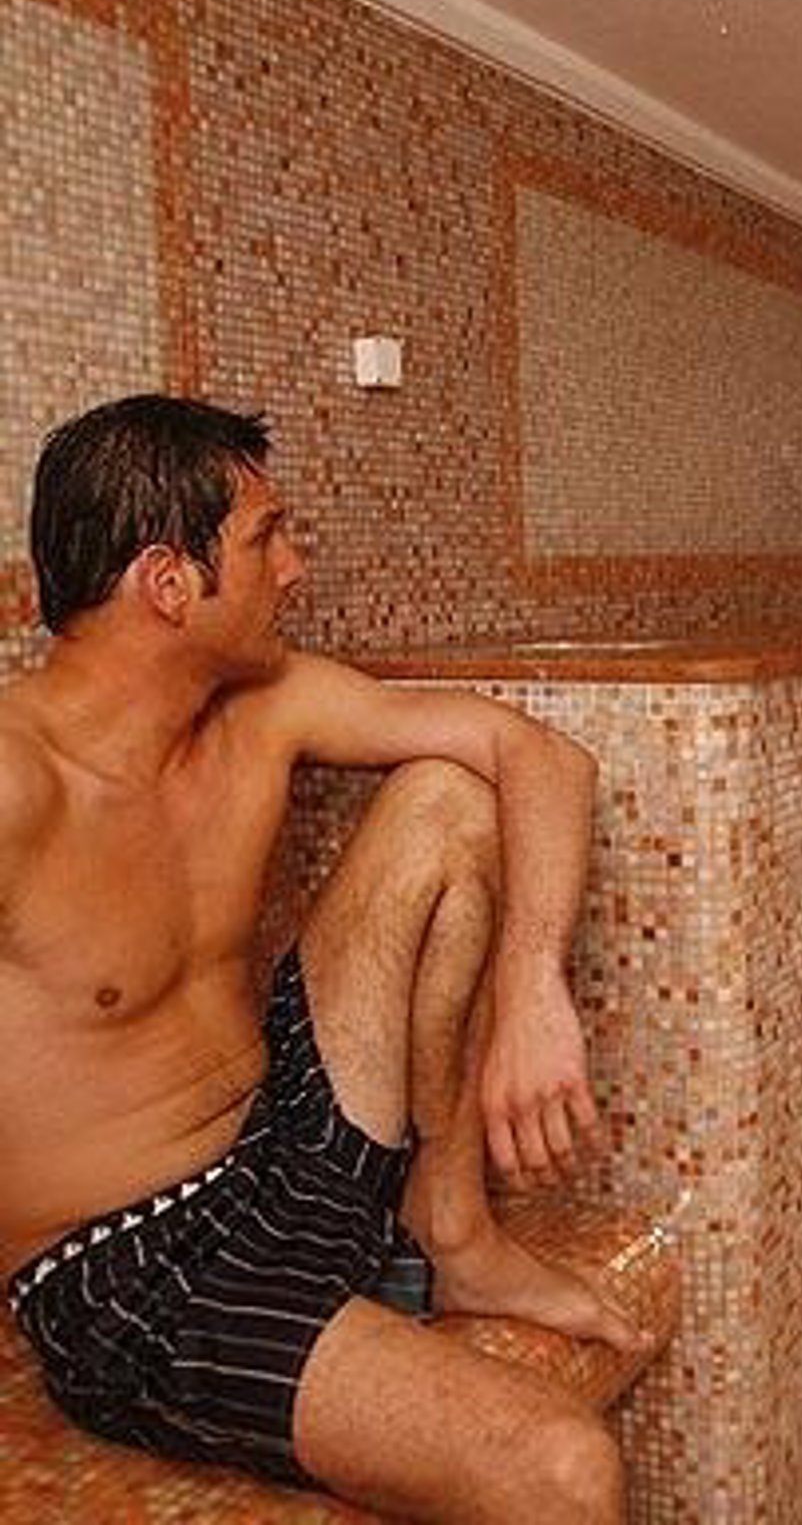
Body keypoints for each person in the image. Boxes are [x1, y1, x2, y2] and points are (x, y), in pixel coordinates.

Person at [0, 396, 640, 1523]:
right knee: (561, 1468)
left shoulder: (262, 708)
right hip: (140, 1269)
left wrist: (532, 986)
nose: (295, 568)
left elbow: (541, 756)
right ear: (168, 581)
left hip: (282, 1150)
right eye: (267, 538)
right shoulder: (16, 785)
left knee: (449, 799)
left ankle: (455, 1232)